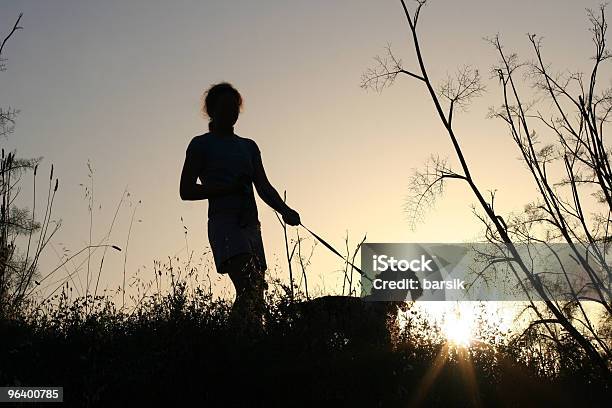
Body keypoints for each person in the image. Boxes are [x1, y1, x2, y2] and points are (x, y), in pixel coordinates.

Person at [179, 82, 300, 334]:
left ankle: (252, 344)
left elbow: (263, 186)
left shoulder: (249, 146)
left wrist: (285, 209)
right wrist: (226, 189)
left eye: (234, 107)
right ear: (211, 110)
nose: (231, 111)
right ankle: (233, 345)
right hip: (224, 222)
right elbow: (186, 190)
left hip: (251, 226)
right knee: (249, 287)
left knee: (257, 291)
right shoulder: (201, 144)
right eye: (224, 106)